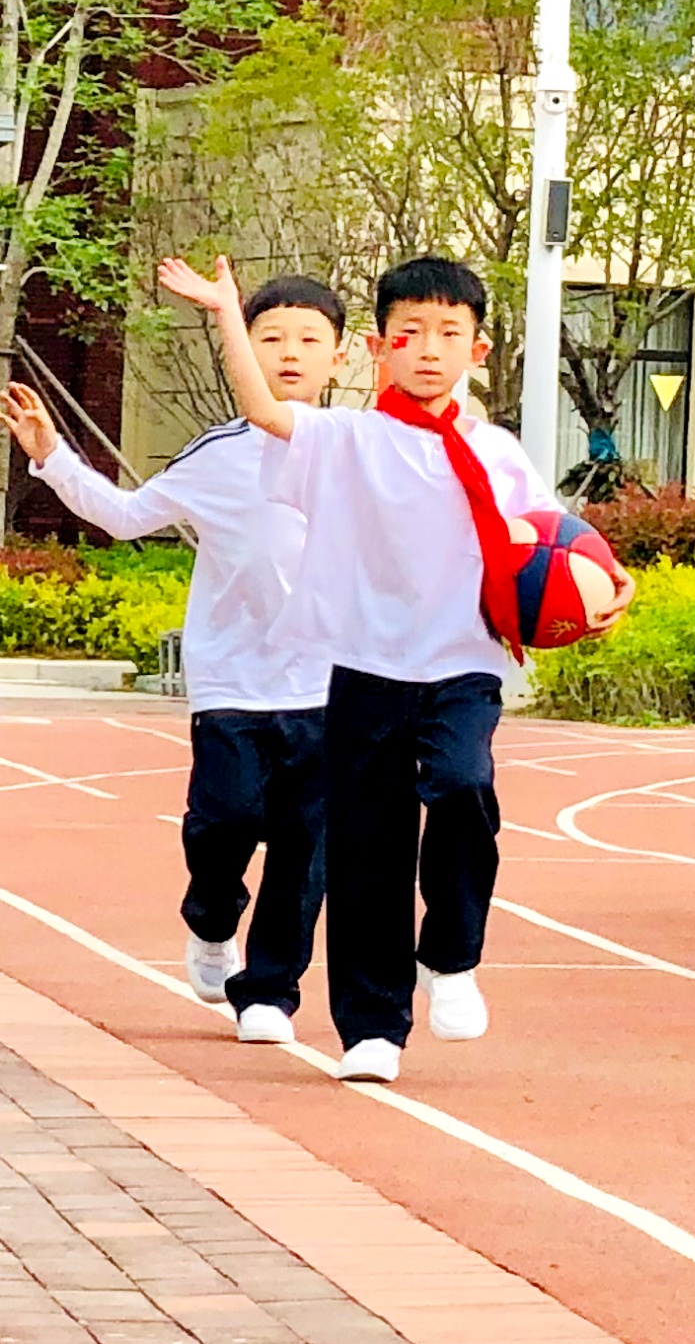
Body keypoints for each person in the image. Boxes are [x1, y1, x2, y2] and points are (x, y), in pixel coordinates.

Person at [189, 253, 527, 1088]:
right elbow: (266, 408)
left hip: (462, 665)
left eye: (451, 333)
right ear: (380, 347)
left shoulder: (500, 452)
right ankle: (373, 1026)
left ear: (477, 351)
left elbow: (546, 546)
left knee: (458, 783)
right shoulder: (347, 440)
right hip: (366, 668)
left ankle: (451, 955)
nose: (429, 348)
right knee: (368, 846)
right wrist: (228, 312)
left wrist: (604, 586)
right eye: (410, 332)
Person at [10, 270, 341, 1043]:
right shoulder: (215, 456)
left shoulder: (358, 452)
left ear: (338, 353)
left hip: (327, 686)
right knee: (225, 818)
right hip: (232, 678)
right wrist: (53, 456)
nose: (289, 354)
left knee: (304, 845)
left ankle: (268, 992)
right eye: (270, 338)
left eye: (307, 340)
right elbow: (125, 518)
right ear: (241, 351)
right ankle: (211, 915)